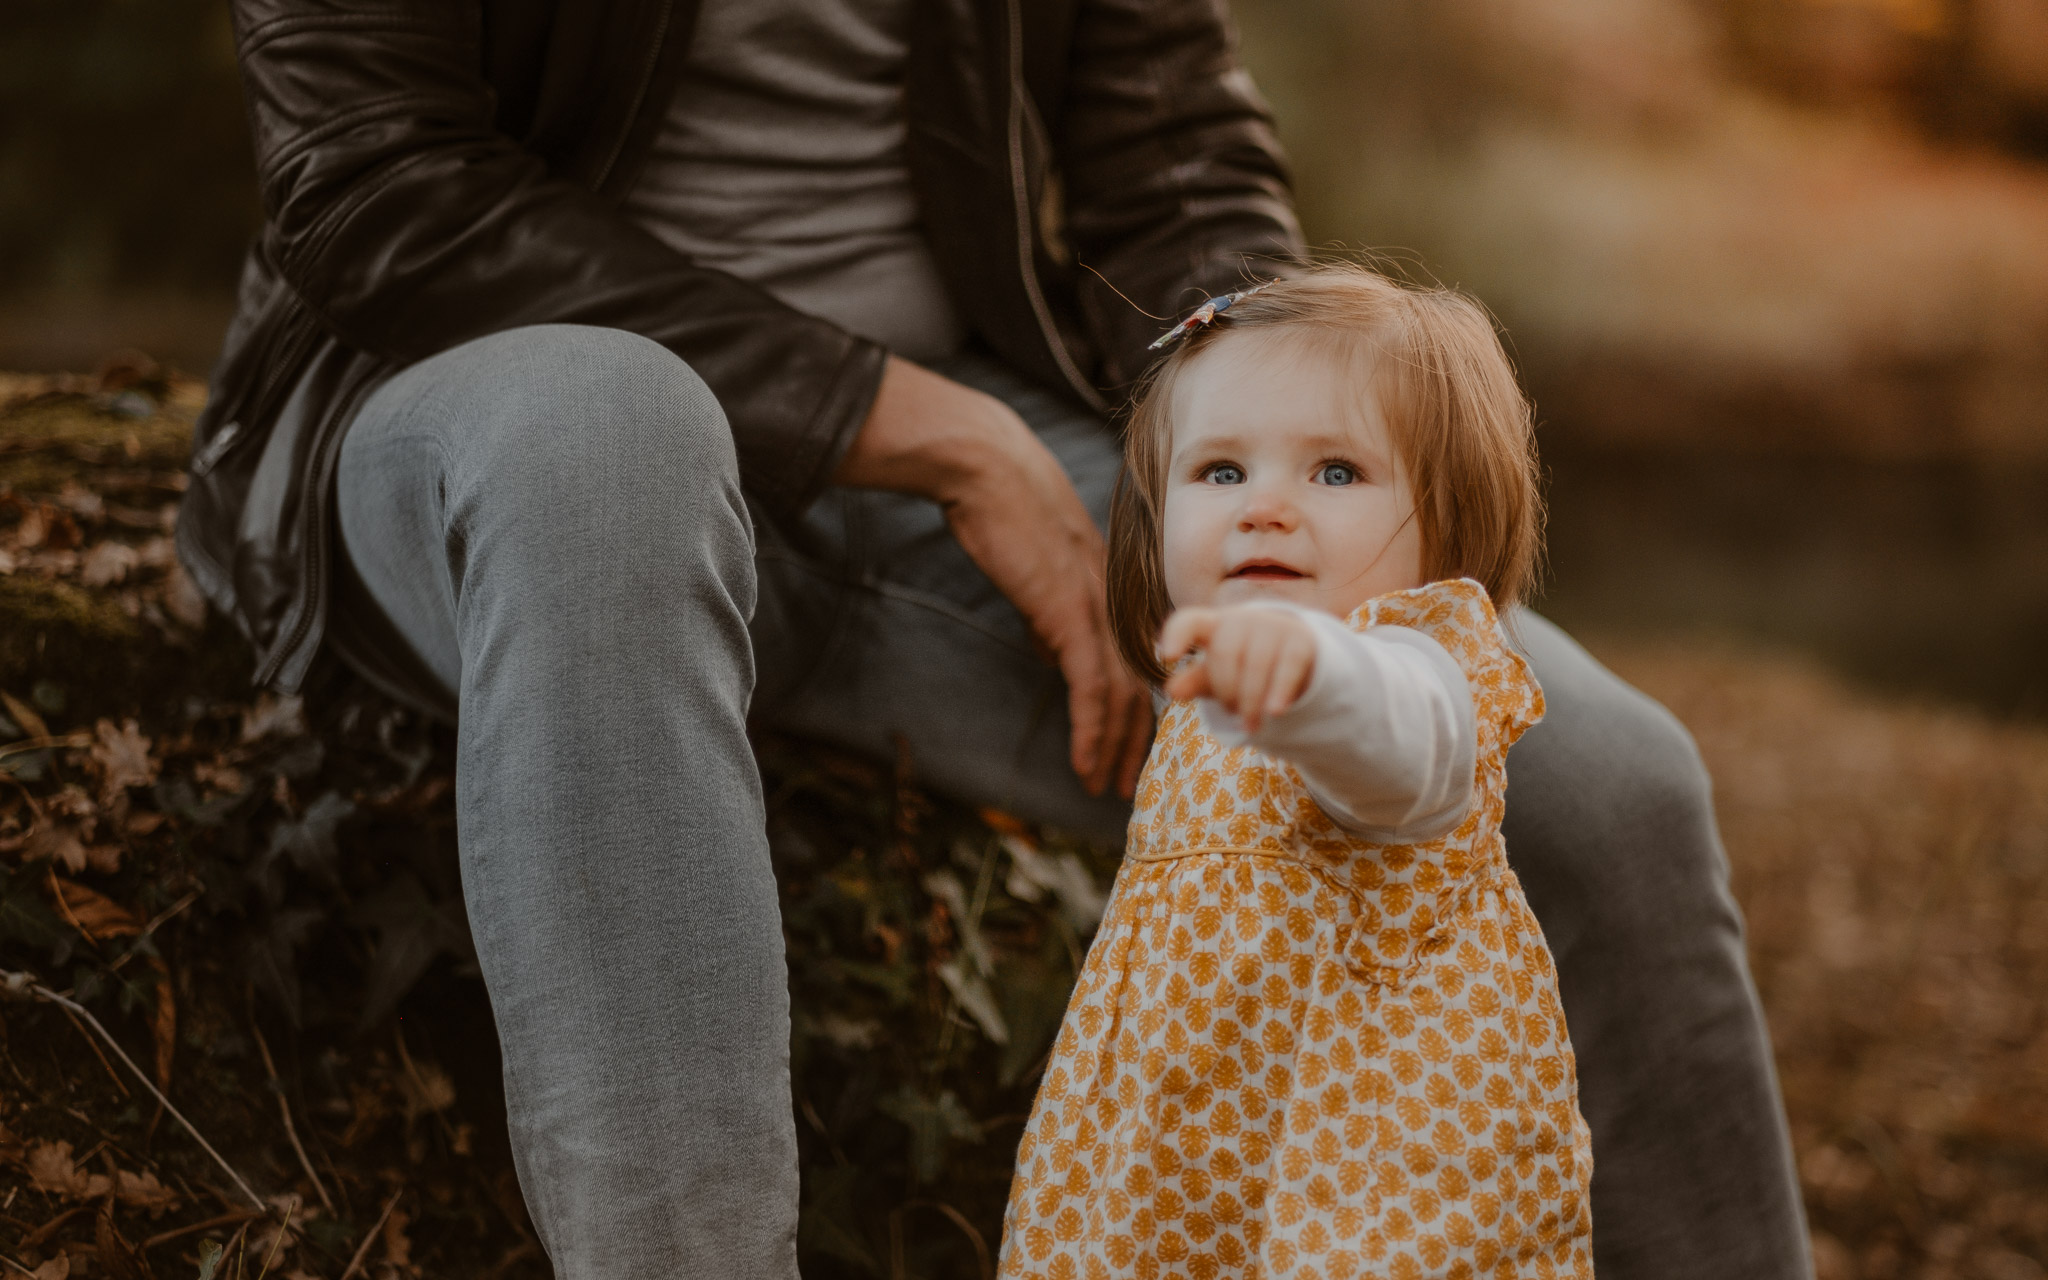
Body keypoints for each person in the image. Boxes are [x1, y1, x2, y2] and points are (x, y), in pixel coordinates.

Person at [176, 2, 1811, 1278]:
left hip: (968, 425)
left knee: (1600, 778)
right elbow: (376, 185)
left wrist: (1248, 430)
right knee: (615, 425)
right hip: (494, 428)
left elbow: (1171, 158)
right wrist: (933, 437)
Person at [1000, 267, 1594, 1280]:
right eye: (1219, 472)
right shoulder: (1204, 687)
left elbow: (1394, 743)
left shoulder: (1424, 669)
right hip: (1169, 1156)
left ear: (1447, 517)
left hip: (1373, 1171)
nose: (1264, 508)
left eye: (1334, 472)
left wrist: (1316, 676)